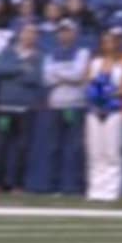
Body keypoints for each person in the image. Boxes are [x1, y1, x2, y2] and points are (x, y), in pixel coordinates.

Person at [84, 28, 122, 202]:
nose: (108, 44)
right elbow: (88, 82)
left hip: (114, 110)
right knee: (95, 150)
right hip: (95, 110)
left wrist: (114, 93)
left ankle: (112, 189)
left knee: (112, 150)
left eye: (111, 41)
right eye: (105, 41)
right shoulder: (95, 62)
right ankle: (95, 188)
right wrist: (95, 93)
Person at [0, 23, 43, 194]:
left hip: (25, 108)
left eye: (33, 33)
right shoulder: (7, 52)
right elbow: (0, 69)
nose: (30, 36)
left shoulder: (38, 56)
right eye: (27, 32)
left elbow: (35, 78)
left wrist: (15, 72)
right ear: (20, 34)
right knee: (1, 145)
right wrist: (21, 68)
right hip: (5, 106)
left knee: (22, 146)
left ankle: (18, 184)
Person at [43, 19, 90, 195]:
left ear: (75, 33)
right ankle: (55, 185)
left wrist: (59, 74)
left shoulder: (82, 52)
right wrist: (67, 76)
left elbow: (79, 75)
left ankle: (75, 186)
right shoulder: (51, 54)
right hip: (56, 105)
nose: (64, 34)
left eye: (68, 31)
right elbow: (47, 78)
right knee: (54, 146)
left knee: (75, 147)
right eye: (61, 31)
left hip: (75, 104)